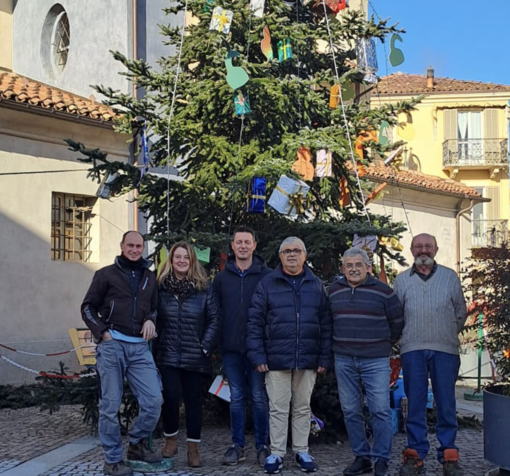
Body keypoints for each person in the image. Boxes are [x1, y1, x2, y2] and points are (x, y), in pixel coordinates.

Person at [247, 237, 332, 474]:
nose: (292, 254)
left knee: (303, 407)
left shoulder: (316, 285)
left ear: (304, 256)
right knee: (277, 408)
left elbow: (325, 324)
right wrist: (258, 356)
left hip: (308, 358)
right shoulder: (267, 284)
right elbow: (254, 322)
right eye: (287, 251)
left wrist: (324, 357)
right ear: (280, 256)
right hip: (275, 359)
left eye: (297, 251)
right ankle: (276, 454)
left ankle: (301, 450)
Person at [81, 231, 163, 476]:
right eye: (131, 245)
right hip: (112, 345)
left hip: (139, 347)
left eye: (139, 246)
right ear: (122, 246)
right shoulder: (105, 274)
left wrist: (150, 319)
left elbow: (155, 308)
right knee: (110, 405)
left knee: (154, 400)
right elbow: (87, 307)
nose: (135, 249)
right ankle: (113, 460)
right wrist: (102, 332)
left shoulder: (150, 277)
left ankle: (136, 444)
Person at [393, 233, 467, 476]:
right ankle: (415, 454)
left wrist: (444, 333)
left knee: (446, 403)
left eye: (428, 246)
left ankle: (449, 456)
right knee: (415, 403)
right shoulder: (401, 280)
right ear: (411, 250)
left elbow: (460, 312)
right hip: (412, 349)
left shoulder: (450, 277)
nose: (423, 250)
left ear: (435, 249)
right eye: (418, 246)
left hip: (445, 349)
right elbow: (397, 316)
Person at [329, 248, 404, 476]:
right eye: (348, 265)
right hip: (343, 359)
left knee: (379, 410)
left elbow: (398, 323)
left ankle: (381, 458)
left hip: (375, 360)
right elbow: (327, 321)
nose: (353, 269)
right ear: (342, 269)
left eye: (358, 265)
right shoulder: (333, 291)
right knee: (351, 410)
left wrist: (382, 344)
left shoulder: (384, 292)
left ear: (368, 267)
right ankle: (362, 457)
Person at [155, 242, 220, 468]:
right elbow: (153, 317)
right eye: (177, 257)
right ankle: (171, 439)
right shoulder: (160, 287)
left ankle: (193, 448)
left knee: (194, 403)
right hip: (168, 354)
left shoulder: (204, 287)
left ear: (192, 261)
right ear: (171, 261)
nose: (182, 261)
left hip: (196, 355)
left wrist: (205, 347)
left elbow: (214, 320)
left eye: (186, 257)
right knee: (170, 398)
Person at [213, 227, 272, 466]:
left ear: (254, 245)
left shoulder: (267, 276)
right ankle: (237, 445)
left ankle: (263, 445)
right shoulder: (221, 278)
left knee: (259, 397)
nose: (243, 246)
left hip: (258, 350)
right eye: (239, 242)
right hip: (230, 348)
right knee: (236, 397)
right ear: (233, 246)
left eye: (248, 242)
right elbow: (215, 313)